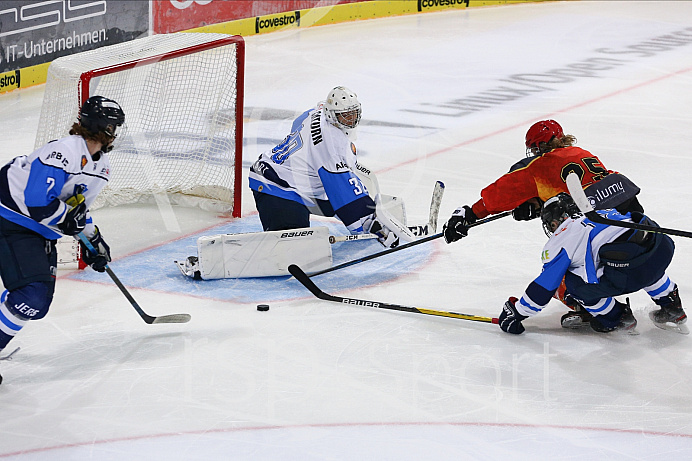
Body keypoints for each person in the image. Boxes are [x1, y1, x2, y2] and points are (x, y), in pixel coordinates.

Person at [443, 119, 643, 327]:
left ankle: (599, 309)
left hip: (591, 235)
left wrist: (470, 214)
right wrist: (539, 203)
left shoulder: (540, 165)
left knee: (563, 277)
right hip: (627, 232)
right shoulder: (583, 153)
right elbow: (576, 191)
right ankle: (668, 301)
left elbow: (501, 193)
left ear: (538, 146)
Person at [0, 95, 125, 384]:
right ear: (105, 129)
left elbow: (76, 208)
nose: (115, 134)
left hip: (34, 229)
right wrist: (70, 222)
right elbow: (37, 202)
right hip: (9, 219)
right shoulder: (64, 151)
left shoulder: (101, 167)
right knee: (30, 295)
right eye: (113, 128)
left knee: (37, 302)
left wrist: (92, 239)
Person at [248, 86, 413, 249]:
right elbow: (343, 192)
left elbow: (298, 122)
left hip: (287, 177)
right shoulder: (333, 146)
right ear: (331, 114)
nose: (350, 120)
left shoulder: (319, 110)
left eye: (353, 114)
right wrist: (371, 227)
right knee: (293, 250)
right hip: (276, 187)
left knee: (333, 195)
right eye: (344, 116)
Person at [497, 193, 687, 335]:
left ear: (554, 222)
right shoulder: (603, 212)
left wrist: (518, 312)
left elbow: (545, 286)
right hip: (662, 250)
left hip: (629, 274)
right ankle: (672, 306)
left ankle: (617, 318)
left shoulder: (562, 236)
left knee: (572, 282)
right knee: (639, 254)